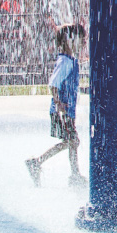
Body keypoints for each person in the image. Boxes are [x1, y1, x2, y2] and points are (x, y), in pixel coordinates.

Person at [26, 23, 88, 188]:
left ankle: (74, 175)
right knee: (72, 141)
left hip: (67, 110)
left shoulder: (69, 61)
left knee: (72, 142)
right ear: (70, 40)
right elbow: (54, 84)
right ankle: (37, 162)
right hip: (62, 111)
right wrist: (58, 102)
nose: (83, 43)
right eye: (81, 39)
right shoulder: (65, 61)